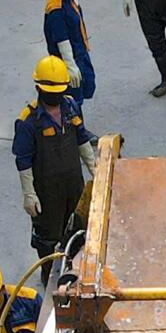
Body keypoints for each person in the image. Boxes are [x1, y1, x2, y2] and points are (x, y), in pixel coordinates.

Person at [12, 56, 100, 257]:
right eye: (50, 92)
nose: (55, 97)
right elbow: (23, 161)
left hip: (74, 184)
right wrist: (29, 194)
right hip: (47, 192)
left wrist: (94, 168)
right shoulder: (27, 122)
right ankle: (48, 271)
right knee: (48, 239)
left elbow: (81, 138)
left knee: (78, 231)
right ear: (38, 89)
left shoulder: (70, 107)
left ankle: (74, 268)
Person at [41, 0, 94, 102]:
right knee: (72, 99)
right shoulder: (56, 8)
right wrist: (70, 66)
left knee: (87, 87)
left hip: (79, 52)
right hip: (67, 59)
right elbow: (62, 40)